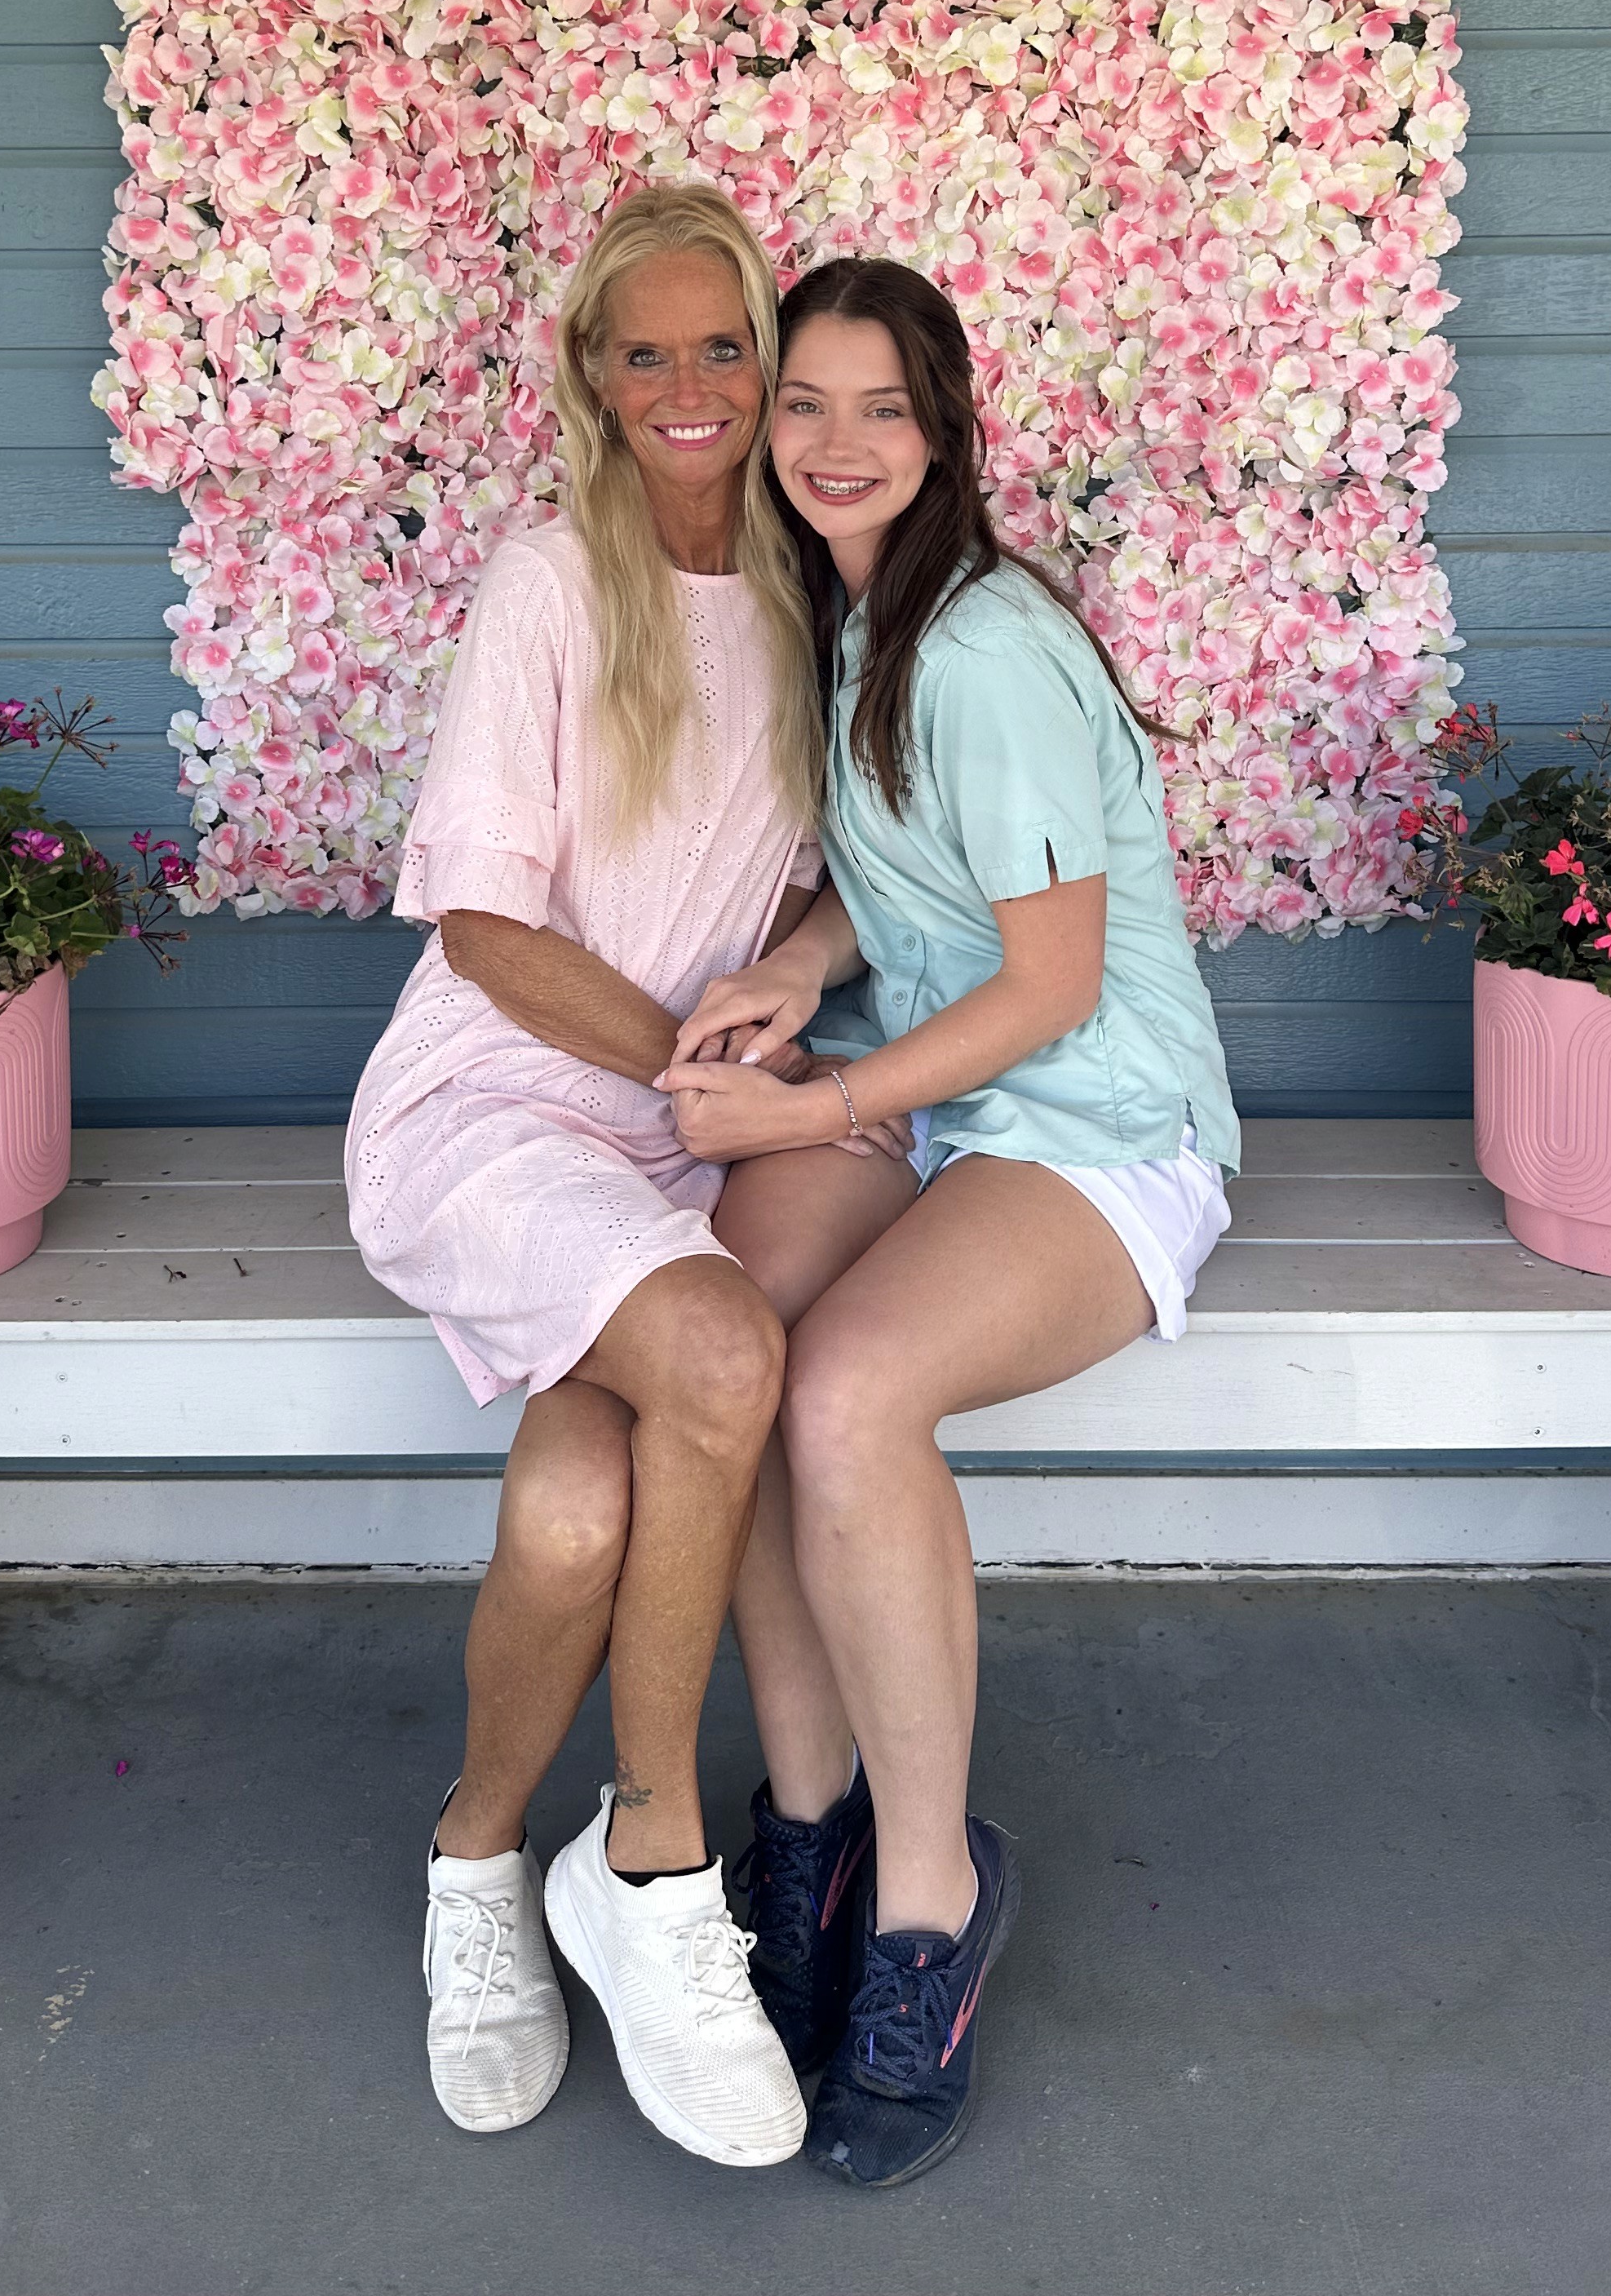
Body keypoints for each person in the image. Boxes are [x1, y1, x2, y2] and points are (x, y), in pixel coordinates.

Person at [657, 255, 1241, 2191]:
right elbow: (912, 883)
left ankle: (926, 1909)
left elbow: (1052, 983)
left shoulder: (981, 645)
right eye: (804, 403)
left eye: (881, 410)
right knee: (730, 1347)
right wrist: (793, 965)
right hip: (938, 1091)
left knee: (847, 1394)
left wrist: (810, 1101)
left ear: (944, 433)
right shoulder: (850, 614)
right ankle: (807, 1833)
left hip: (1096, 1119)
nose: (836, 443)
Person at [346, 181, 857, 2170]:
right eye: (646, 353)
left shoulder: (815, 591)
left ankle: (482, 1861)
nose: (689, 386)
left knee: (574, 1521)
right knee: (723, 1359)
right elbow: (482, 927)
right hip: (495, 1106)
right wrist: (691, 1072)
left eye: (724, 346)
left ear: (768, 364)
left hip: (666, 1136)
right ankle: (656, 1863)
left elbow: (842, 877)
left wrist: (789, 993)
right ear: (592, 371)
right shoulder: (550, 582)